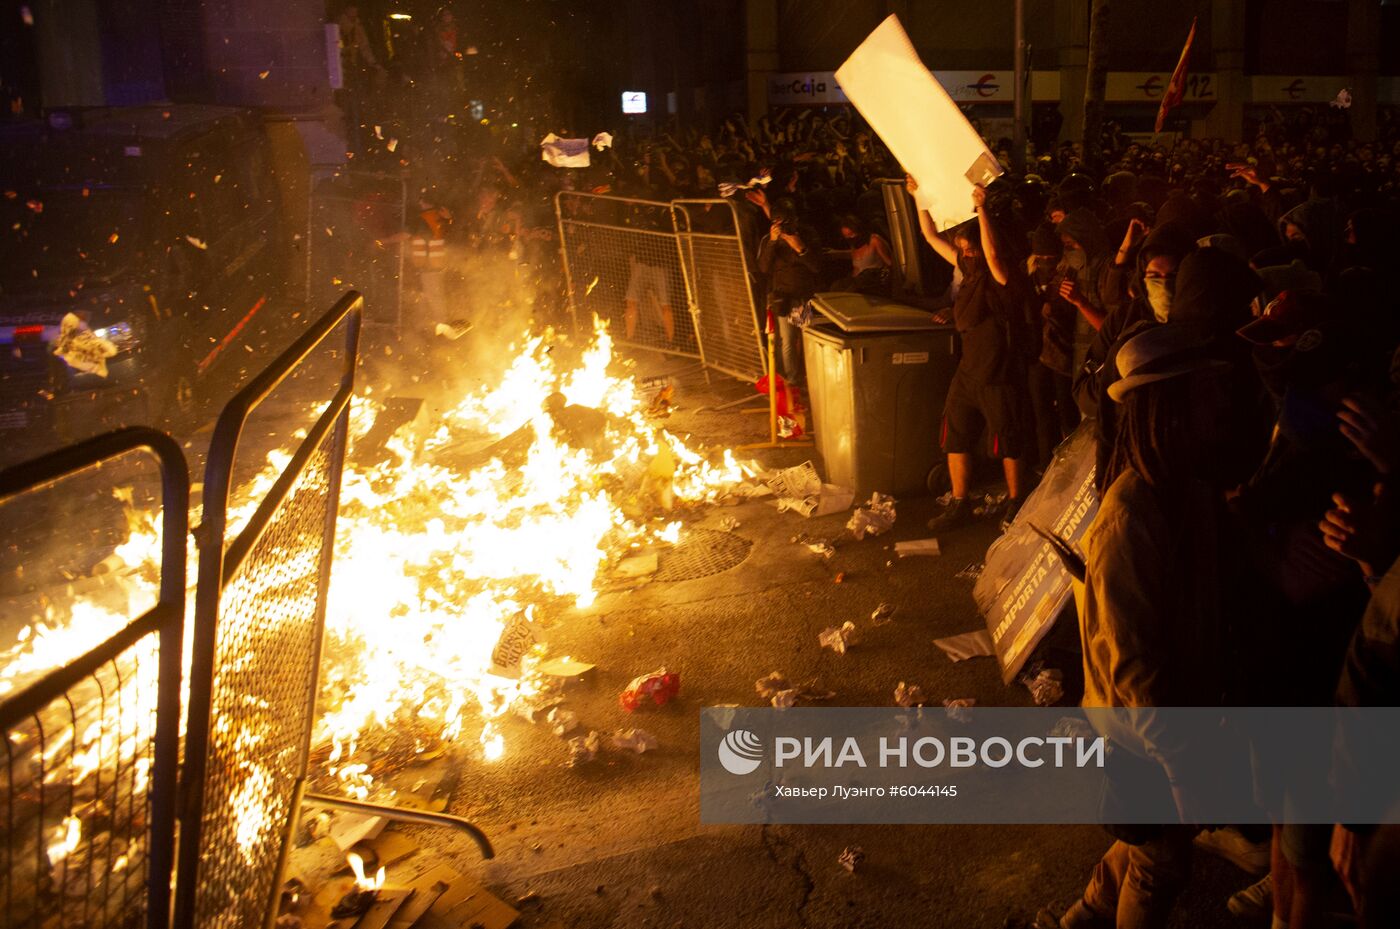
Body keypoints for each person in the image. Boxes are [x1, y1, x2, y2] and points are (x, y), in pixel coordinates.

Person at [1038, 325, 1244, 929]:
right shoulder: (1128, 519)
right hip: (1140, 738)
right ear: (1172, 409)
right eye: (1208, 395)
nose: (1222, 406)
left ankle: (1079, 919)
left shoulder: (1191, 491)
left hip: (1167, 727)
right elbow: (1134, 668)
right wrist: (1183, 770)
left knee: (1144, 846)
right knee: (1160, 864)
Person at [910, 177, 1031, 531]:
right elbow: (931, 237)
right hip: (969, 371)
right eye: (962, 249)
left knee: (1008, 438)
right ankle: (959, 501)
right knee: (955, 434)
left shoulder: (1002, 275)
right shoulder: (969, 271)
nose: (966, 253)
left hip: (998, 371)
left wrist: (981, 208)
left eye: (969, 248)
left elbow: (991, 253)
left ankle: (1016, 501)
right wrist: (920, 197)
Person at [756, 199, 820, 387]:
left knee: (806, 337)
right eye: (777, 222)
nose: (782, 226)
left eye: (785, 222)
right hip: (783, 296)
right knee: (787, 340)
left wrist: (801, 249)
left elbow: (816, 266)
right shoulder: (769, 240)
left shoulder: (807, 234)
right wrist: (773, 242)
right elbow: (763, 267)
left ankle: (812, 376)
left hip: (802, 295)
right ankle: (792, 379)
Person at [828, 213, 893, 295]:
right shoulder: (854, 245)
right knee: (835, 287)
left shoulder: (874, 240)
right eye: (847, 237)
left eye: (852, 234)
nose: (850, 238)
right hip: (855, 282)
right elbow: (857, 260)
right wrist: (836, 254)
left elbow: (890, 263)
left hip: (871, 285)